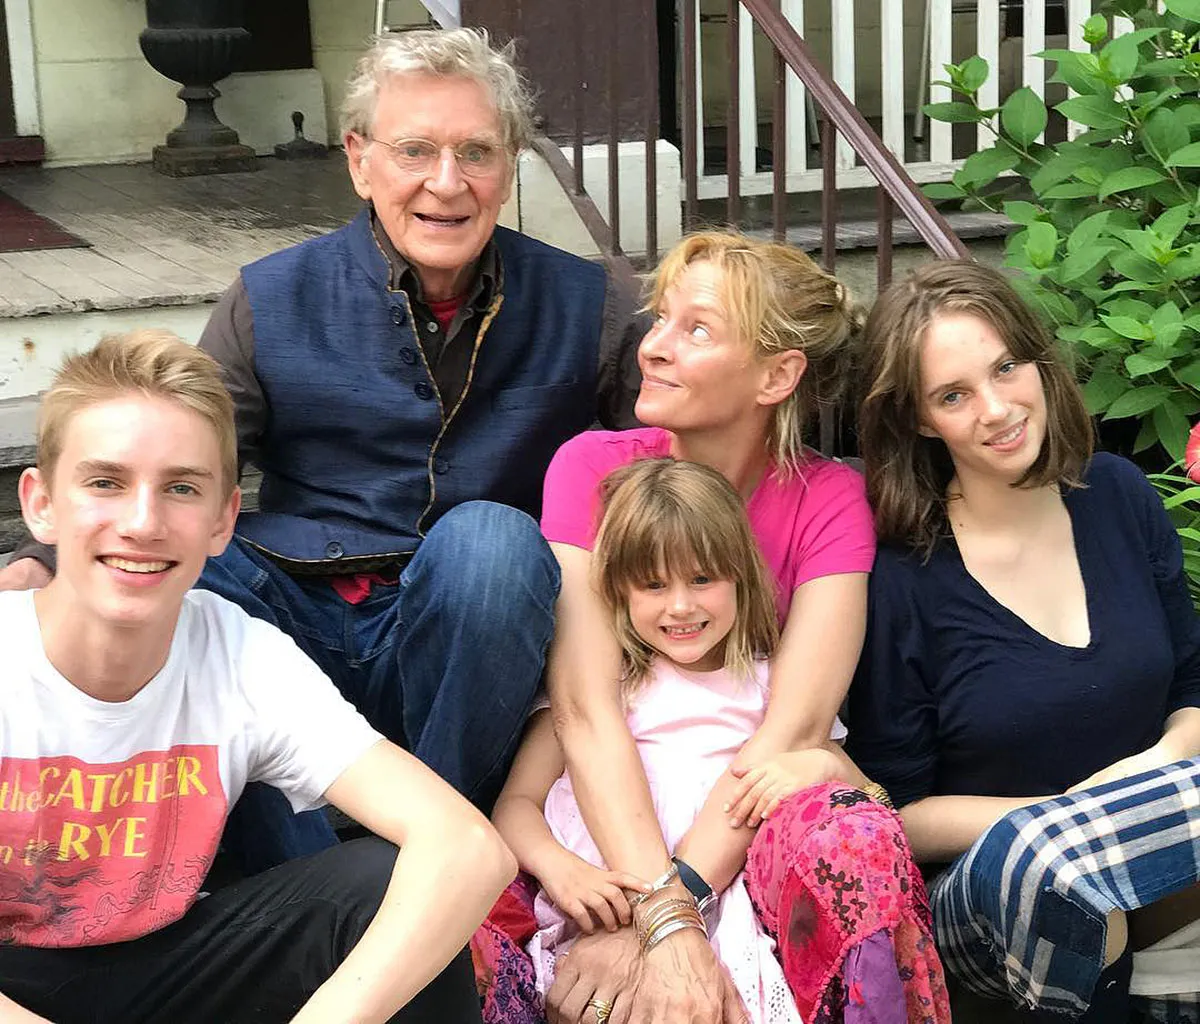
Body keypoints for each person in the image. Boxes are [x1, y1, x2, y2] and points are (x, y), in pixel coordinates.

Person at [1, 27, 644, 873]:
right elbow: (180, 456)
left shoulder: (589, 301)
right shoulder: (270, 296)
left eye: (476, 152)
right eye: (414, 150)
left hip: (471, 629)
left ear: (510, 163)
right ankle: (305, 876)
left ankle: (433, 852)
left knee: (493, 543)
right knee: (191, 579)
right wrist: (46, 559)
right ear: (359, 160)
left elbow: (668, 469)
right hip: (299, 606)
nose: (446, 182)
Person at [0, 331, 516, 1024]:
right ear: (40, 503)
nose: (143, 522)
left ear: (222, 520)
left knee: (389, 888)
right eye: (105, 483)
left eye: (181, 488)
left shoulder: (239, 654)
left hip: (172, 967)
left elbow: (468, 848)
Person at [532, 231, 949, 1023]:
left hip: (745, 826)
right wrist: (657, 913)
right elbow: (584, 705)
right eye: (660, 319)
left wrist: (670, 916)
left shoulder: (828, 500)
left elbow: (790, 732)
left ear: (777, 376)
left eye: (696, 329)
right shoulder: (591, 469)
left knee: (852, 830)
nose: (653, 347)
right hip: (604, 830)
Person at [846, 259, 1200, 1022]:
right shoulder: (901, 580)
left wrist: (1154, 771)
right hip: (992, 891)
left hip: (1157, 842)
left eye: (1007, 367)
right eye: (954, 395)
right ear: (918, 420)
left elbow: (1192, 688)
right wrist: (1071, 814)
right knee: (1061, 865)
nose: (998, 408)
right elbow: (899, 810)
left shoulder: (1118, 494)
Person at [496, 457, 862, 1024]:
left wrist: (822, 767)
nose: (681, 606)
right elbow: (516, 802)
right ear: (618, 591)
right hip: (601, 909)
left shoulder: (770, 691)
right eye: (653, 584)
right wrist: (557, 867)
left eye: (702, 579)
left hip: (723, 912)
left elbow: (868, 797)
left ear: (741, 576)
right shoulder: (610, 689)